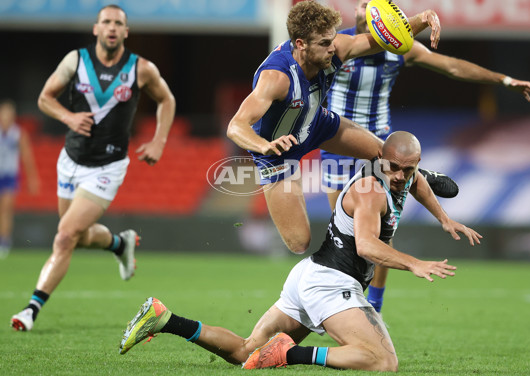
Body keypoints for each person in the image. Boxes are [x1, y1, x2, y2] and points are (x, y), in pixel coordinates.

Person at [118, 131, 482, 371]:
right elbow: (367, 246)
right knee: (382, 362)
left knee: (246, 352)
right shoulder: (371, 191)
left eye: (410, 169)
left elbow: (418, 185)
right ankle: (290, 354)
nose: (402, 176)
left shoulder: (401, 176)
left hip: (310, 276)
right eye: (396, 168)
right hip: (331, 283)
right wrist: (415, 264)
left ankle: (164, 318)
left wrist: (445, 220)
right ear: (381, 159)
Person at [321, 0, 530, 314]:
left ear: (389, 14)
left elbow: (452, 66)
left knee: (381, 229)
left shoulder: (401, 49)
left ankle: (374, 308)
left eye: (376, 7)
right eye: (364, 6)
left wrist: (504, 81)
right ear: (355, 9)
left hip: (379, 149)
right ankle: (347, 299)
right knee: (345, 230)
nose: (369, 12)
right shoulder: (338, 46)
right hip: (337, 145)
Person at [227, 0, 450, 256]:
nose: (333, 48)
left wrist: (421, 18)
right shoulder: (276, 78)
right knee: (299, 243)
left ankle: (423, 176)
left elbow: (382, 38)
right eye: (324, 43)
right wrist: (264, 145)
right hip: (278, 152)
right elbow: (236, 126)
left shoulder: (335, 48)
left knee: (386, 154)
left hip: (315, 123)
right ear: (300, 45)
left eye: (332, 39)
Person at [10, 4, 176, 332]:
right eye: (106, 22)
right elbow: (45, 98)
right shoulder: (75, 60)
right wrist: (69, 117)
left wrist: (159, 141)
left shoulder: (140, 68)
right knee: (78, 236)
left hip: (107, 167)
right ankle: (119, 244)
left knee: (64, 236)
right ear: (96, 29)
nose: (112, 27)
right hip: (70, 161)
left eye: (119, 23)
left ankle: (31, 309)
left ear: (126, 32)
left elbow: (167, 100)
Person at [0, 99, 40, 258]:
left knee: (6, 210)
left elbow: (27, 156)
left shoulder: (18, 134)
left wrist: (32, 178)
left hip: (10, 175)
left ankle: (4, 242)